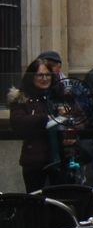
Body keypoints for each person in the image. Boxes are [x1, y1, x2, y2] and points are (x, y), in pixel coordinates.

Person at [10, 58, 60, 191]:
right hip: (35, 160)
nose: (44, 78)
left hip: (59, 158)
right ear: (31, 77)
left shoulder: (59, 95)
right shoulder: (21, 98)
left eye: (47, 75)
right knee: (35, 202)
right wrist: (45, 118)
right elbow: (18, 122)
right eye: (40, 75)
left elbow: (79, 116)